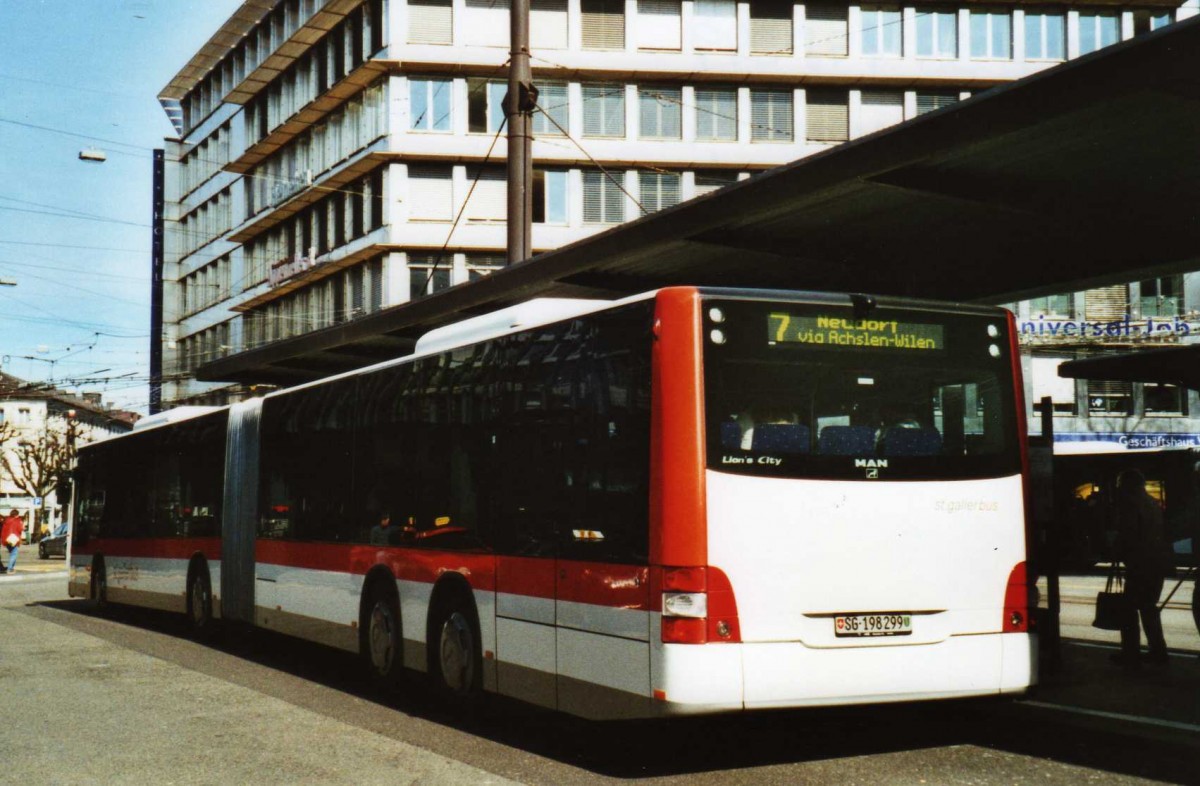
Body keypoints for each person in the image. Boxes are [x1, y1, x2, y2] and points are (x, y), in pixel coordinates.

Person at [1112, 469, 1171, 667]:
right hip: (1156, 563)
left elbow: (1128, 535)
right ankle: (1158, 650)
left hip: (1139, 564)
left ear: (1128, 485)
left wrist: (1116, 550)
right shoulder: (1152, 503)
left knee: (1128, 610)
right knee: (1148, 608)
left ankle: (1130, 652)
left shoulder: (1131, 505)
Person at [2, 510, 23, 575]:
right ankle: (9, 569)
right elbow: (20, 529)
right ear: (16, 515)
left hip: (6, 539)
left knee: (12, 553)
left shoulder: (7, 520)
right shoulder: (17, 521)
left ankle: (12, 568)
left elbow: (3, 530)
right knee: (14, 554)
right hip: (13, 539)